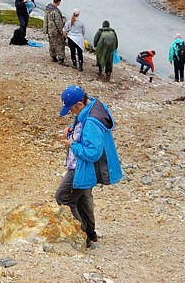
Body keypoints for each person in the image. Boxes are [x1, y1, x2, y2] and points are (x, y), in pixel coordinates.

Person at [55, 85, 122, 250]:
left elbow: (92, 153)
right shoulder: (92, 105)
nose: (71, 112)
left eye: (71, 109)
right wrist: (73, 130)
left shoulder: (91, 121)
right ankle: (91, 233)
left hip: (83, 166)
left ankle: (81, 235)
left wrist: (72, 145)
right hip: (86, 167)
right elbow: (83, 129)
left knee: (64, 197)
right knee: (83, 198)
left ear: (79, 104)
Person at [44, 0, 66, 64]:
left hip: (49, 30)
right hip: (55, 31)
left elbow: (45, 19)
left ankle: (53, 57)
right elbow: (58, 23)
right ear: (59, 2)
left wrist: (45, 29)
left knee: (52, 43)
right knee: (60, 44)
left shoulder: (48, 8)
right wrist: (62, 32)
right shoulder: (56, 11)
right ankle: (61, 59)